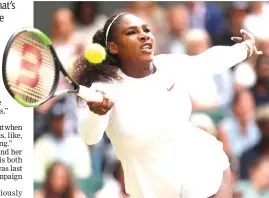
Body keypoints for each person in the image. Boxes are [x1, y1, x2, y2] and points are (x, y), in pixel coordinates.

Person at [74, 13, 262, 198]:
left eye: (146, 30)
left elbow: (209, 61)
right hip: (150, 189)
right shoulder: (103, 89)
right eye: (131, 32)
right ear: (113, 47)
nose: (144, 35)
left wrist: (245, 47)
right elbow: (90, 137)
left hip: (202, 167)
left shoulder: (168, 65)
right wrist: (96, 114)